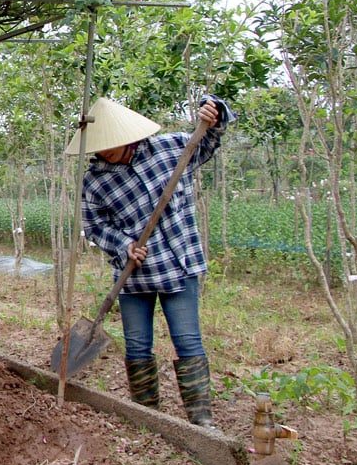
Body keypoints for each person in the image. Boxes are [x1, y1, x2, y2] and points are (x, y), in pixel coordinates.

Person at [66, 95, 234, 428]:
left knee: (187, 340)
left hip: (178, 264)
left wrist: (213, 110)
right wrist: (123, 245)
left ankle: (201, 420)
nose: (104, 152)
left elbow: (209, 139)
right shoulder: (95, 179)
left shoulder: (170, 149)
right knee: (138, 345)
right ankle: (146, 414)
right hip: (134, 275)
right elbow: (94, 225)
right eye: (98, 148)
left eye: (110, 145)